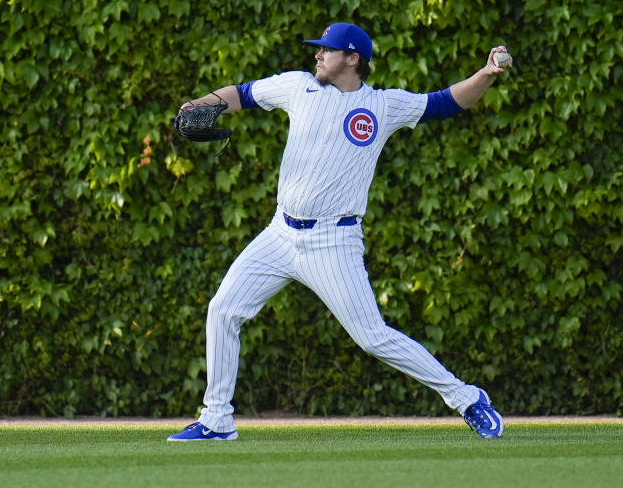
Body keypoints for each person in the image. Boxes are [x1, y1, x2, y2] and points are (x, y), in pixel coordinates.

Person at [168, 23, 508, 441]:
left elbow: (448, 103)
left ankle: (468, 398)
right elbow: (242, 93)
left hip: (334, 243)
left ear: (352, 58)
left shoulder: (383, 106)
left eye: (326, 50)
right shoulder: (297, 87)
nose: (317, 55)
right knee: (223, 309)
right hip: (280, 233)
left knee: (374, 338)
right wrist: (201, 103)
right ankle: (216, 420)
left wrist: (486, 75)